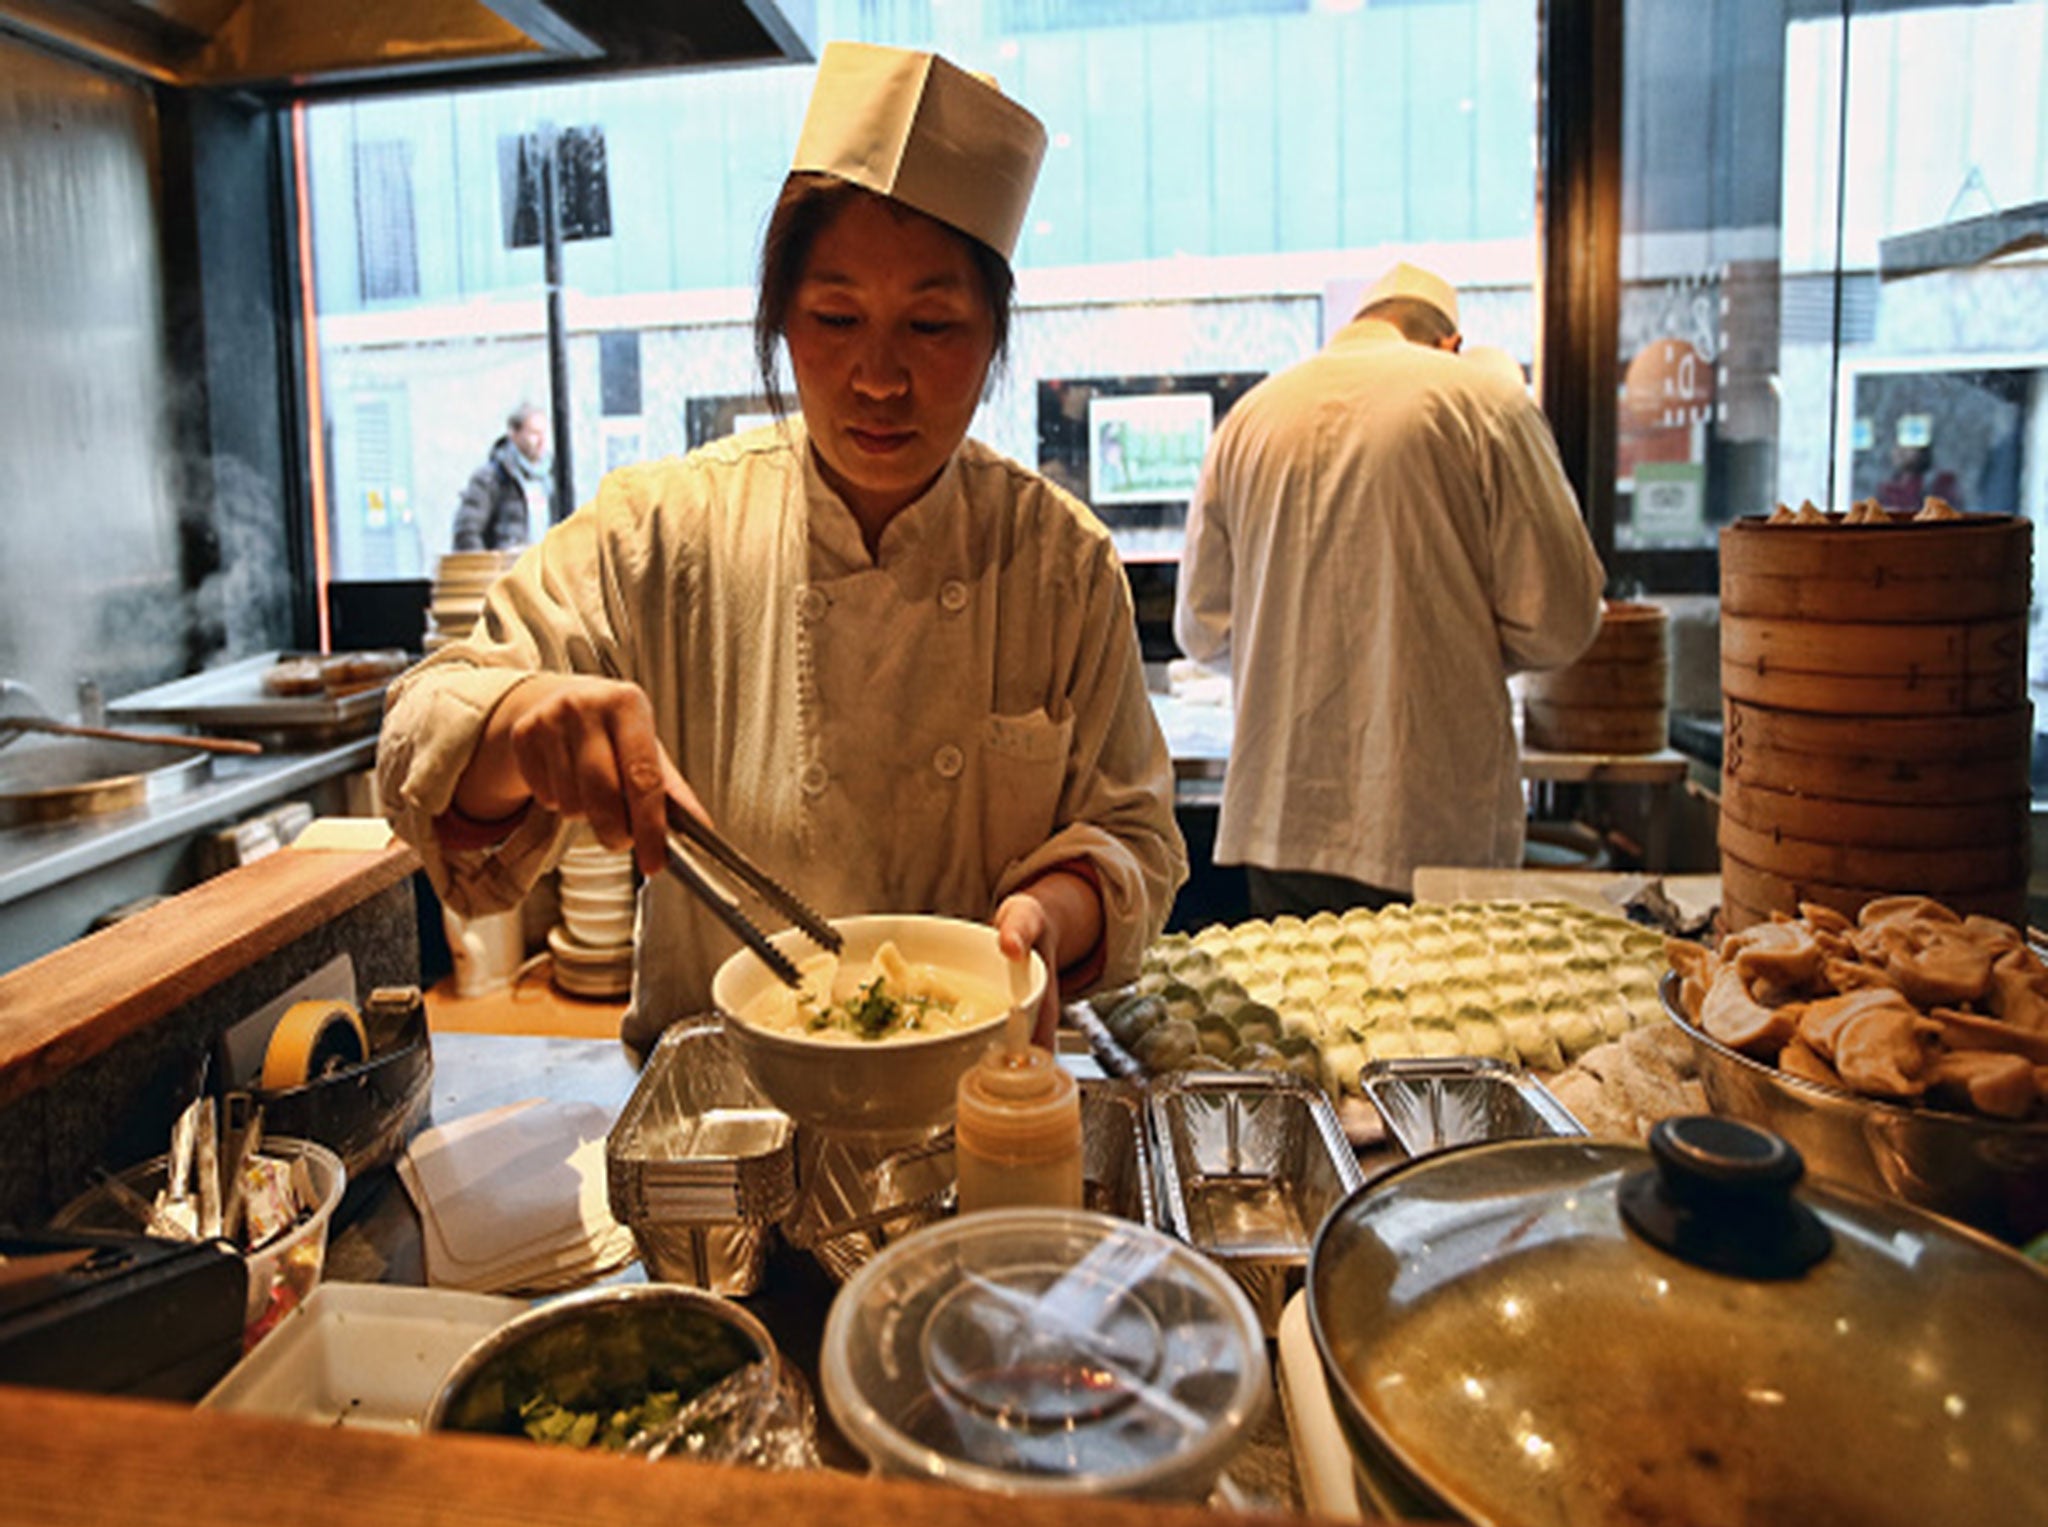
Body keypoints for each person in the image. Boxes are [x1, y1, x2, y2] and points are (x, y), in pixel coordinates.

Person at [379, 42, 1186, 1051]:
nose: (878, 378)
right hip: (719, 1116)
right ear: (779, 324)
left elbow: (1133, 836)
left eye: (930, 326)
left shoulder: (1061, 565)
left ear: (992, 335)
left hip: (978, 1099)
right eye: (835, 318)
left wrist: (1045, 917)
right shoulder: (663, 530)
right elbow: (423, 723)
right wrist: (519, 723)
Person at [1174, 261, 1604, 919]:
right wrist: (1454, 642)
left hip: (1282, 818)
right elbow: (1560, 618)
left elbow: (1202, 627)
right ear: (1450, 343)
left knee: (1298, 1013)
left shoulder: (1253, 416)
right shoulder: (1483, 402)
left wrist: (1290, 650)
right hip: (1436, 825)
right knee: (1449, 1019)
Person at [451, 404, 551, 551]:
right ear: (514, 434)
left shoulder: (551, 477)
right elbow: (467, 531)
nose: (541, 441)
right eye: (534, 434)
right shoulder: (491, 478)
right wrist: (487, 569)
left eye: (544, 433)